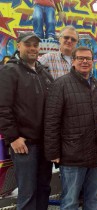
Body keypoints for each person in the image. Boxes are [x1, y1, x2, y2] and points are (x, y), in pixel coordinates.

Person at [44, 46, 97, 210]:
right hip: (72, 155)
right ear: (73, 61)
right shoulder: (60, 85)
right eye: (80, 58)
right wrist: (53, 152)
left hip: (95, 153)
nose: (85, 61)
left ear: (93, 61)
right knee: (70, 200)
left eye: (88, 58)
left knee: (93, 199)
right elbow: (51, 120)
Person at [0, 32, 54, 210]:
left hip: (45, 144)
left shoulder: (43, 72)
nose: (32, 48)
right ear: (18, 45)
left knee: (44, 189)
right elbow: (2, 107)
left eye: (35, 45)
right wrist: (13, 137)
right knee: (28, 194)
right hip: (24, 145)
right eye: (28, 44)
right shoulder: (9, 71)